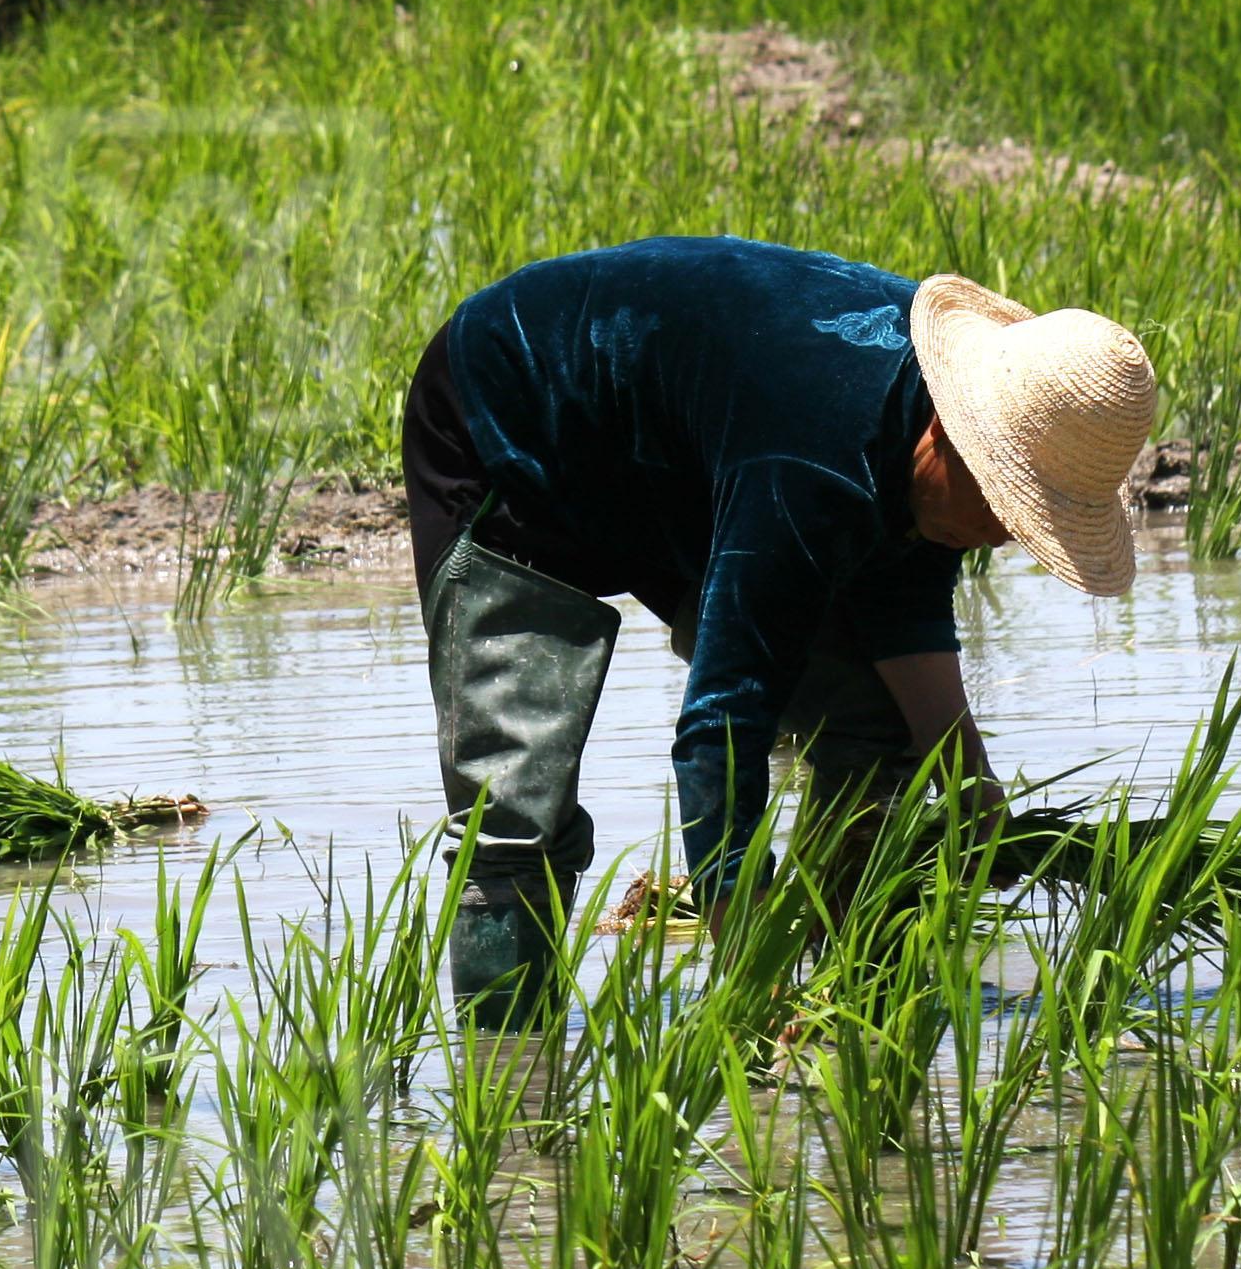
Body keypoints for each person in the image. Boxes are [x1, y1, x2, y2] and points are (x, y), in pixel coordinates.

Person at [400, 235, 1159, 1025]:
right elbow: (722, 724)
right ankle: (510, 1089)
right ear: (948, 437)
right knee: (517, 822)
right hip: (515, 422)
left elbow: (905, 610)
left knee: (879, 729)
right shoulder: (818, 459)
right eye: (1005, 509)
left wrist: (974, 787)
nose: (1005, 537)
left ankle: (857, 997)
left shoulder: (935, 433)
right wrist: (746, 979)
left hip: (677, 465)